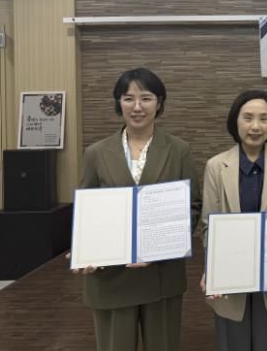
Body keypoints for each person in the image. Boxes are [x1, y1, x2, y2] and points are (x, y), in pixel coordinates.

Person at [74, 67, 202, 351]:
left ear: (159, 102)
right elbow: (87, 211)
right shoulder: (96, 153)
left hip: (161, 275)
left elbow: (192, 207)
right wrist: (84, 249)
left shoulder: (178, 149)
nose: (137, 107)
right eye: (128, 98)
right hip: (110, 277)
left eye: (146, 98)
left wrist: (160, 248)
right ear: (118, 102)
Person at [200, 90, 267, 351]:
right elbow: (209, 225)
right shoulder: (216, 166)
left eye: (263, 119)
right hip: (229, 276)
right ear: (235, 121)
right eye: (248, 118)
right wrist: (212, 270)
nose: (255, 126)